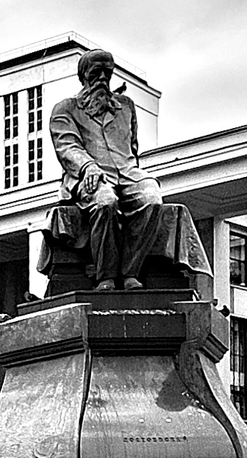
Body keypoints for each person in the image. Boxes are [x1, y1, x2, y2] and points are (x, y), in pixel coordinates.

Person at [46, 49, 210, 295]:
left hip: (128, 172)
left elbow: (133, 148)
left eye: (107, 73)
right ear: (83, 76)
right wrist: (88, 167)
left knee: (152, 198)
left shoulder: (126, 107)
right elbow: (67, 147)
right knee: (105, 202)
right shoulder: (66, 108)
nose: (103, 78)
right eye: (96, 73)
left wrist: (134, 174)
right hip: (89, 174)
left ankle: (130, 272)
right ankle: (106, 277)